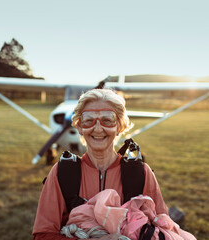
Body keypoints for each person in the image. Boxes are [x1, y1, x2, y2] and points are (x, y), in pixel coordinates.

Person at [32, 89, 175, 240]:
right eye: (89, 120)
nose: (98, 129)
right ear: (79, 127)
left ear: (120, 126)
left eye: (107, 120)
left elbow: (163, 231)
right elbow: (42, 234)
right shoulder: (62, 173)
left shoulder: (141, 174)